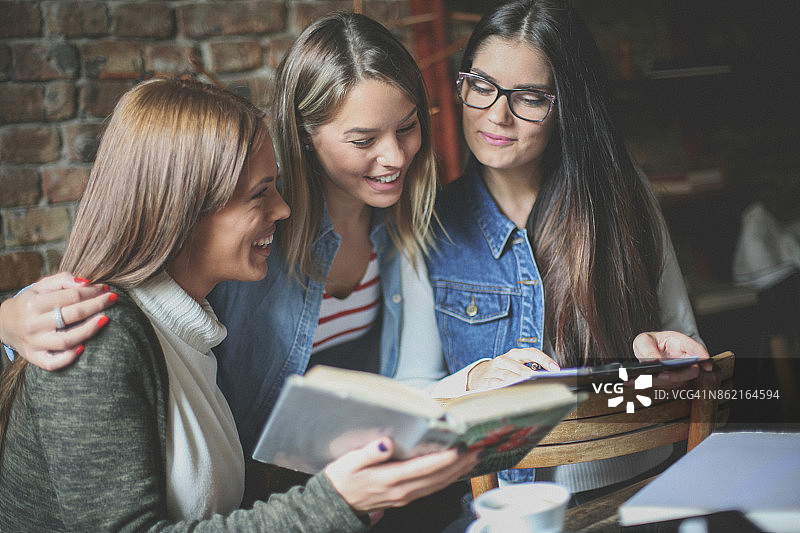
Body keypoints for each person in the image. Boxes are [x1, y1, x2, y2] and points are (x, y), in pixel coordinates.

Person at [0, 77, 480, 531]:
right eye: (260, 194)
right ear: (184, 209)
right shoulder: (99, 341)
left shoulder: (188, 325)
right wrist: (338, 502)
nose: (283, 210)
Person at [424, 0, 710, 513]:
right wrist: (473, 381)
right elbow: (414, 398)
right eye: (482, 85)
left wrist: (671, 368)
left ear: (567, 106)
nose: (497, 115)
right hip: (509, 509)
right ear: (462, 83)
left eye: (530, 97)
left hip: (643, 492)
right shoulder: (432, 225)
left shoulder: (626, 196)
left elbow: (691, 360)